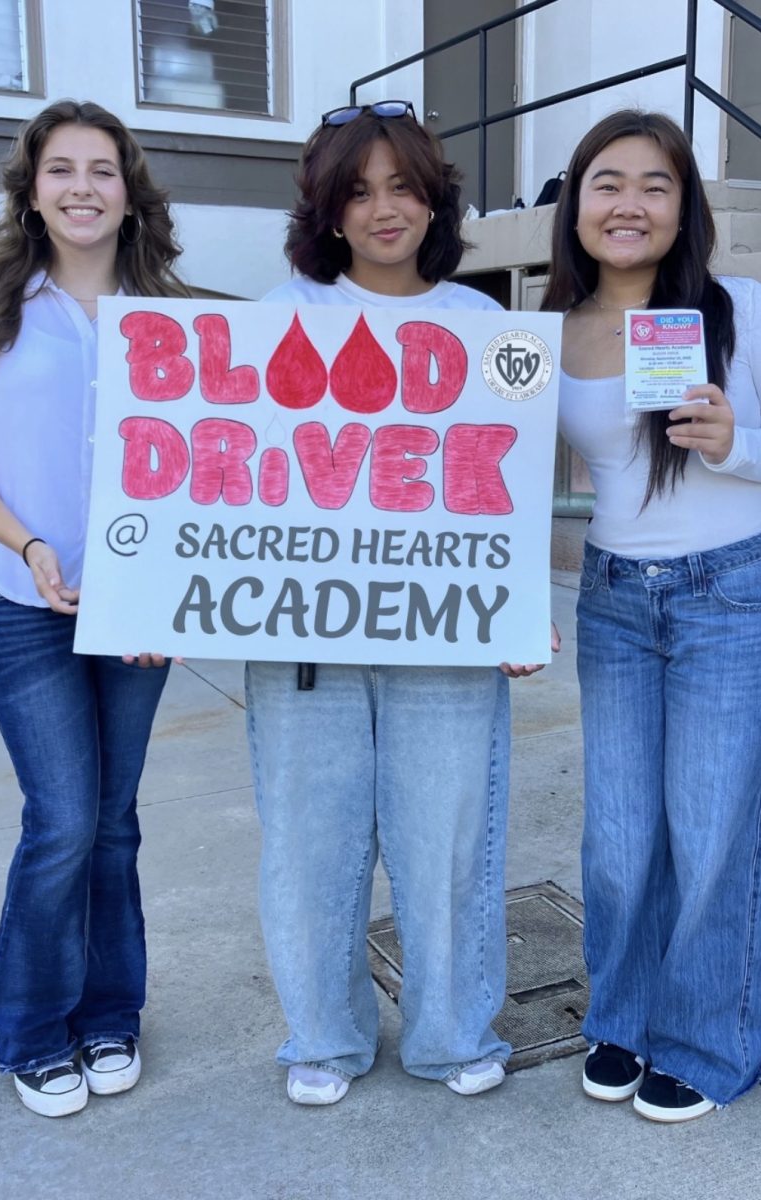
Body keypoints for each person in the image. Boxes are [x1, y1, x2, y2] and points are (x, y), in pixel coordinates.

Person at [247, 101, 552, 1107]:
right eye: (358, 191)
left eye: (403, 187)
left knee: (448, 842)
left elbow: (509, 486)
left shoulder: (486, 327)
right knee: (309, 849)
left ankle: (453, 1033)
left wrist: (517, 603)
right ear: (327, 211)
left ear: (434, 201)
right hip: (301, 636)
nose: (384, 209)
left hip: (446, 635)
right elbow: (224, 479)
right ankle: (322, 1038)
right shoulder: (276, 317)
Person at [541, 109, 761, 1121]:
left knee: (712, 829)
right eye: (607, 183)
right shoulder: (545, 330)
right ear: (575, 204)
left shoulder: (740, 308)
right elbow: (492, 478)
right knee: (617, 839)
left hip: (735, 590)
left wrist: (735, 444)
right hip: (614, 597)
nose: (630, 204)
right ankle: (623, 1017)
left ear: (684, 205)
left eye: (655, 185)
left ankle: (705, 1039)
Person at [0, 99, 188, 1117]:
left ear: (127, 190)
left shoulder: (172, 318)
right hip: (21, 603)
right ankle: (31, 1028)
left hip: (135, 608)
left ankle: (111, 1014)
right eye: (61, 169)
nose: (82, 187)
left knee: (114, 822)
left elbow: (209, 472)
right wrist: (28, 546)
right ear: (32, 191)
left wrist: (176, 596)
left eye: (101, 169)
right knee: (63, 819)